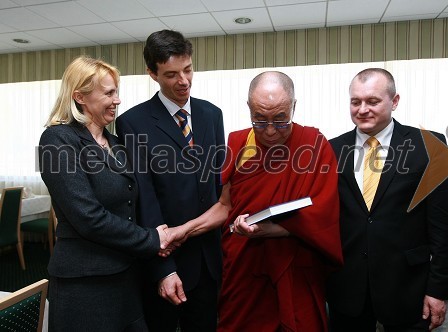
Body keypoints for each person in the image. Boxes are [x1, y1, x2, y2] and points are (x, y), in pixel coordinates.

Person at [162, 71, 344, 331]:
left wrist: (269, 230)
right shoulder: (238, 142)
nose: (270, 130)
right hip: (245, 269)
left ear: (294, 107)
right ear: (248, 108)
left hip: (294, 266)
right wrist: (183, 231)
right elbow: (225, 206)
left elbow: (323, 216)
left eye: (280, 119)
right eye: (259, 119)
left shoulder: (314, 144)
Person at [38, 55, 171, 331]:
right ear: (80, 97)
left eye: (117, 92)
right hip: (86, 286)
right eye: (109, 93)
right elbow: (88, 217)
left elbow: (132, 203)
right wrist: (151, 239)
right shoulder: (58, 139)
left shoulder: (116, 143)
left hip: (126, 277)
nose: (117, 100)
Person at [326, 68, 448, 331]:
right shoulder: (331, 149)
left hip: (408, 286)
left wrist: (438, 289)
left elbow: (444, 228)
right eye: (355, 102)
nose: (362, 109)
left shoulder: (430, 146)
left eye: (372, 101)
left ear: (394, 101)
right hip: (348, 288)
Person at [115, 29, 225, 331]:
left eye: (188, 69)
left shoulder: (211, 114)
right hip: (166, 263)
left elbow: (216, 187)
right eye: (171, 74)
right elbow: (144, 201)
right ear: (152, 73)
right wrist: (163, 269)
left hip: (209, 260)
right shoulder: (132, 123)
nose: (184, 81)